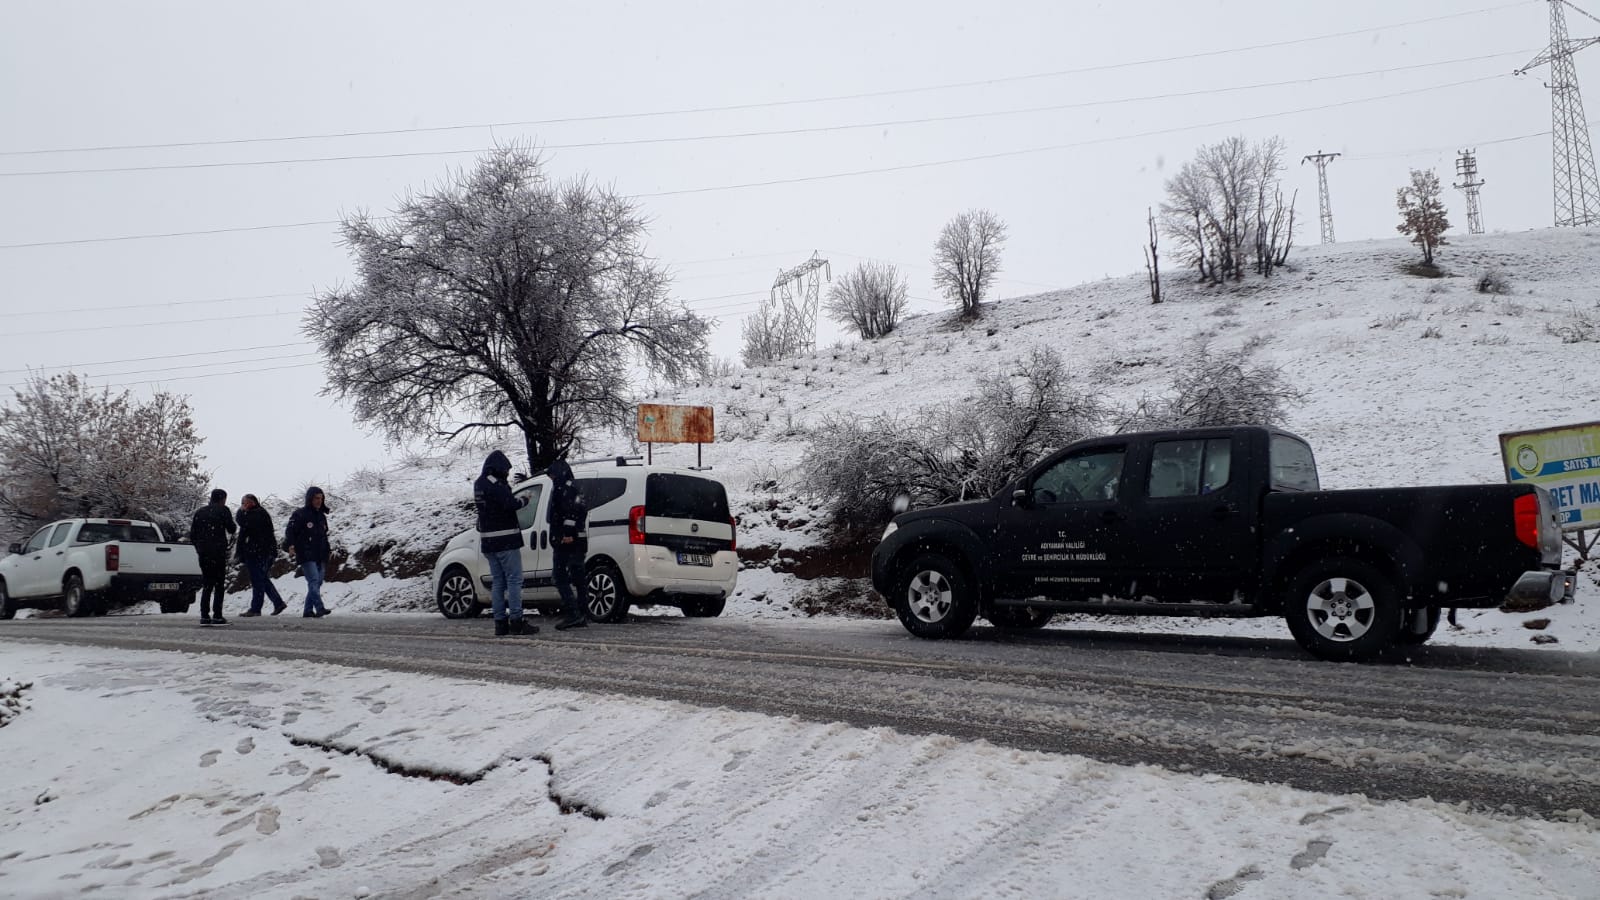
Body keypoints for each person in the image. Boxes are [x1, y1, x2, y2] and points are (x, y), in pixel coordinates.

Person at [474, 450, 535, 637]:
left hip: (488, 542)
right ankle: (516, 621)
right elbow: (510, 503)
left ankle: (500, 623)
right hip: (506, 540)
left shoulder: (479, 484)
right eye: (506, 470)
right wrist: (525, 499)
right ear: (499, 468)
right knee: (514, 580)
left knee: (498, 582)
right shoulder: (496, 484)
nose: (507, 474)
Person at [546, 457, 589, 631]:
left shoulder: (563, 489)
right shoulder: (574, 488)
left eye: (552, 476)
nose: (551, 480)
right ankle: (582, 612)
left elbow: (569, 513)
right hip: (578, 540)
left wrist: (566, 534)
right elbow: (579, 512)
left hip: (567, 541)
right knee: (578, 576)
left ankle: (573, 614)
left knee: (560, 576)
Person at [189, 488, 236, 626]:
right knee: (219, 584)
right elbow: (231, 529)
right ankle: (217, 615)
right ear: (223, 499)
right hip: (218, 551)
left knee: (207, 584)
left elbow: (193, 535)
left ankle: (204, 615)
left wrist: (200, 548)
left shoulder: (200, 512)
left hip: (204, 552)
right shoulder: (223, 510)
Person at [283, 486, 332, 618]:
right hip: (306, 552)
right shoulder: (300, 514)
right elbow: (290, 531)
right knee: (314, 580)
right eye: (316, 498)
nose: (319, 501)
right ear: (310, 498)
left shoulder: (321, 516)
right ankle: (319, 608)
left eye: (321, 498)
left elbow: (324, 534)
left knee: (318, 582)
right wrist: (291, 545)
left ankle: (307, 610)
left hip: (320, 553)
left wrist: (327, 550)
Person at [235, 494, 286, 617]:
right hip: (259, 551)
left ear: (252, 502)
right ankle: (278, 602)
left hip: (260, 552)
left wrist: (240, 512)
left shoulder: (258, 514)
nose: (243, 506)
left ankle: (256, 608)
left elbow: (243, 523)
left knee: (258, 579)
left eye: (245, 503)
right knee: (261, 578)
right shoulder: (255, 514)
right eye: (242, 503)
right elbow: (242, 534)